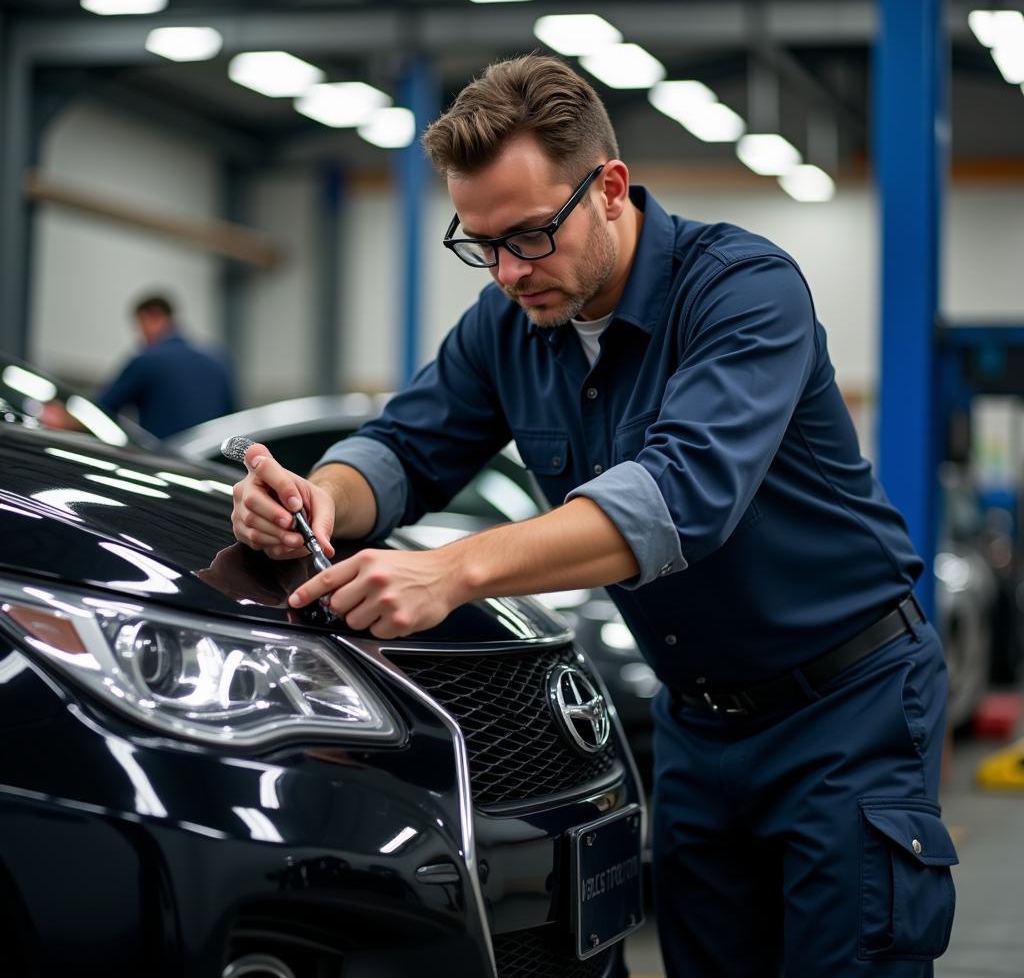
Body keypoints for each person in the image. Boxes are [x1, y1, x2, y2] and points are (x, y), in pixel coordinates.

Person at [231, 54, 955, 976]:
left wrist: (455, 569)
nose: (505, 271)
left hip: (845, 707)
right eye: (480, 243)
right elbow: (405, 449)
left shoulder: (741, 291)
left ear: (609, 189)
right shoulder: (509, 326)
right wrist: (317, 494)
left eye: (529, 236)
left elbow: (679, 495)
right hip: (699, 724)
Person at [93, 291, 235, 439]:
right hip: (208, 457)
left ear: (152, 317)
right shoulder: (217, 362)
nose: (141, 335)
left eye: (141, 325)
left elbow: (102, 408)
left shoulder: (148, 361)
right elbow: (232, 419)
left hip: (163, 457)